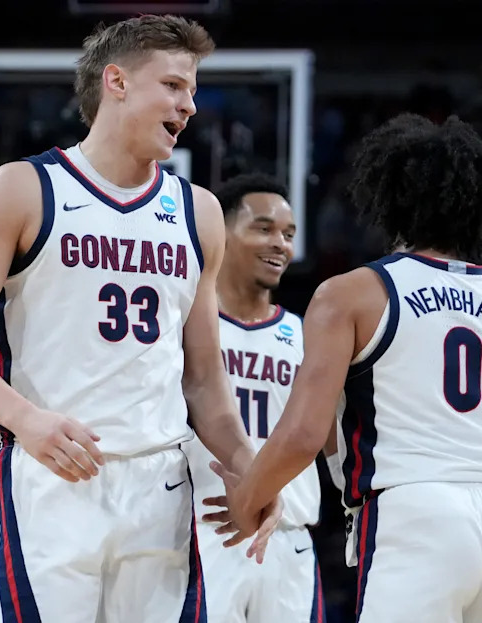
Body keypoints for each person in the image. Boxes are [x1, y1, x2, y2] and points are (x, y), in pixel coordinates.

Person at [0, 15, 279, 623]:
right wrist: (26, 422)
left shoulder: (198, 213)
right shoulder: (24, 188)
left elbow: (203, 378)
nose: (189, 105)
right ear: (116, 81)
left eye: (192, 91)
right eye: (174, 86)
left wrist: (254, 471)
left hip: (161, 484)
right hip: (50, 474)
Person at [210, 114, 482, 622]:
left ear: (391, 199)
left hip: (415, 512)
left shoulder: (354, 294)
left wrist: (247, 498)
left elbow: (303, 434)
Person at [183, 173, 326, 622]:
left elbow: (332, 441)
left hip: (289, 539)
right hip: (204, 534)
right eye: (263, 228)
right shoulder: (183, 327)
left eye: (288, 235)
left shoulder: (309, 337)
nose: (280, 244)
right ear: (221, 233)